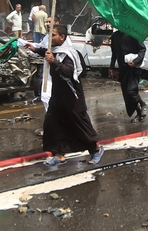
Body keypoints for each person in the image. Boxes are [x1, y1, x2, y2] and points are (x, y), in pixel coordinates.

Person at [39, 25, 103, 166]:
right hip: (58, 95)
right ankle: (59, 154)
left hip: (72, 96)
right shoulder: (54, 51)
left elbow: (68, 71)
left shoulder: (68, 53)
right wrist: (30, 47)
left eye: (54, 35)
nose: (51, 38)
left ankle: (96, 149)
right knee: (53, 123)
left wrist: (54, 62)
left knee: (80, 124)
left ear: (62, 37)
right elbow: (43, 51)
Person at [109, 30, 148, 123]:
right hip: (122, 68)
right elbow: (114, 53)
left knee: (131, 90)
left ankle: (143, 104)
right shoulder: (115, 36)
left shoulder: (133, 33)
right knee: (127, 94)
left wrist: (136, 61)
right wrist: (111, 67)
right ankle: (139, 113)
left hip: (133, 68)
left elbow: (142, 49)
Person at [25, 15, 60, 110]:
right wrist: (32, 48)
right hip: (48, 71)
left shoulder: (61, 39)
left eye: (50, 22)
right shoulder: (47, 37)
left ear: (57, 23)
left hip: (55, 72)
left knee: (50, 96)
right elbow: (42, 48)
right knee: (46, 96)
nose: (48, 24)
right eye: (46, 22)